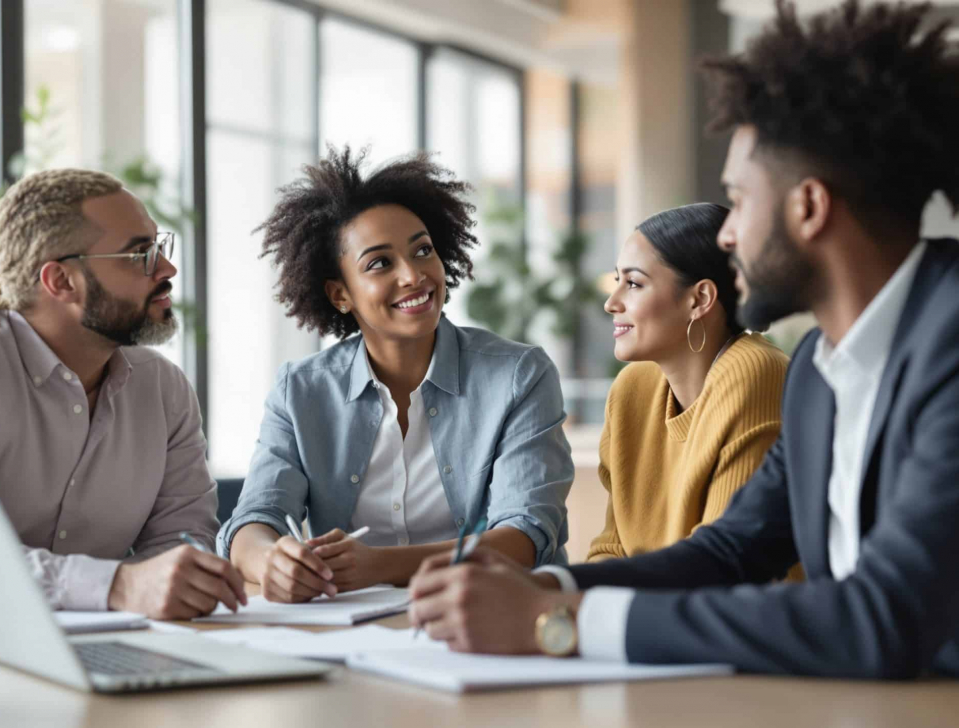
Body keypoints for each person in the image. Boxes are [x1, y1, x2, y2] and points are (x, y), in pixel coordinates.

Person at [407, 0, 959, 678]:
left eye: (740, 199)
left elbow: (885, 616)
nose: (727, 234)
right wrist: (543, 586)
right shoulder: (819, 369)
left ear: (809, 207)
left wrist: (557, 622)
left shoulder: (948, 345)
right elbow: (730, 552)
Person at [218, 147, 573, 602]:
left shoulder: (518, 376)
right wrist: (272, 561)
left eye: (423, 250)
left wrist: (378, 565)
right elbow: (254, 520)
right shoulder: (301, 391)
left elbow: (524, 536)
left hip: (493, 613)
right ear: (340, 294)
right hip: (350, 625)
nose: (414, 275)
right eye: (380, 263)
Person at [0, 169, 246, 619]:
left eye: (159, 246)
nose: (167, 269)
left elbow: (183, 538)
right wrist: (117, 586)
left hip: (114, 644)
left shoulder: (163, 388)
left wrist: (176, 579)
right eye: (139, 254)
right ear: (61, 281)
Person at [590, 202, 789, 562]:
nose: (611, 303)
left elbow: (721, 566)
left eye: (633, 283)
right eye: (617, 281)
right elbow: (610, 549)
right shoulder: (632, 389)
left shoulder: (756, 372)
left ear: (699, 299)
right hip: (653, 596)